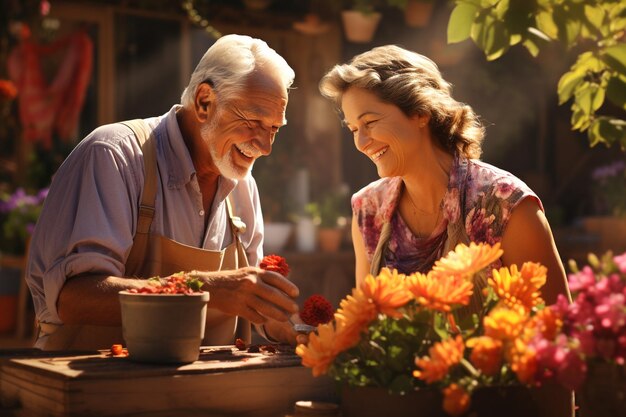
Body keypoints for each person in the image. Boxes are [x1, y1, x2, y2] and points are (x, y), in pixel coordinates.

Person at [26, 34, 303, 350]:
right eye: (253, 121)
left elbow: (250, 300)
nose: (265, 147)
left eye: (274, 128)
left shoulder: (242, 184)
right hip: (94, 391)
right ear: (204, 102)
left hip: (204, 392)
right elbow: (74, 299)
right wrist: (209, 289)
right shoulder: (114, 156)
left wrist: (291, 327)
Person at [319, 45, 570, 310]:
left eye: (369, 123)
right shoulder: (369, 208)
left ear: (420, 112)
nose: (360, 142)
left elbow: (558, 326)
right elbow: (366, 325)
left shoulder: (505, 204)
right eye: (353, 129)